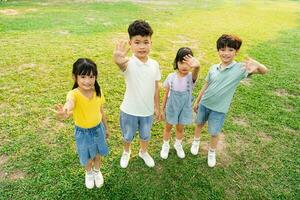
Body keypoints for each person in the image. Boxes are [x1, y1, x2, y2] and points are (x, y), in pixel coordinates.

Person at [191, 34, 268, 167]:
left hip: (219, 109)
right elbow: (206, 85)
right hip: (204, 103)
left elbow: (264, 71)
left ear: (236, 52)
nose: (226, 53)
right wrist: (197, 100)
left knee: (214, 132)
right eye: (222, 49)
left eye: (230, 50)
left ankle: (211, 152)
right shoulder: (213, 68)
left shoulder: (240, 69)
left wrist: (257, 64)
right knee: (199, 123)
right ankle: (196, 141)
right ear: (218, 50)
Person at [113, 20, 161, 168]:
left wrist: (157, 107)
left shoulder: (154, 64)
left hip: (147, 111)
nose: (142, 46)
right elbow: (122, 64)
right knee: (128, 135)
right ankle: (126, 152)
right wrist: (118, 60)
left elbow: (156, 87)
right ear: (130, 43)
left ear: (151, 43)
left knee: (145, 135)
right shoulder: (128, 63)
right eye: (137, 42)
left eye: (145, 42)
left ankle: (143, 152)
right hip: (129, 111)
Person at [55, 58, 109, 189]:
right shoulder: (74, 94)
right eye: (83, 76)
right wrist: (65, 111)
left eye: (91, 76)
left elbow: (101, 111)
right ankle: (89, 173)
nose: (87, 81)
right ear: (75, 77)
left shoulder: (98, 92)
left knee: (97, 154)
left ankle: (97, 171)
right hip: (83, 133)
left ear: (95, 77)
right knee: (87, 157)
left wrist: (106, 128)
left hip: (98, 129)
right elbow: (70, 103)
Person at [160, 47, 200, 159]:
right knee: (168, 127)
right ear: (176, 62)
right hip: (172, 106)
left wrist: (197, 67)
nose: (184, 66)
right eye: (181, 62)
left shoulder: (191, 77)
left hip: (184, 107)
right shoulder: (170, 77)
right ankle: (165, 145)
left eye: (188, 63)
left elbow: (196, 71)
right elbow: (166, 94)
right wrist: (162, 109)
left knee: (180, 128)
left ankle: (178, 144)